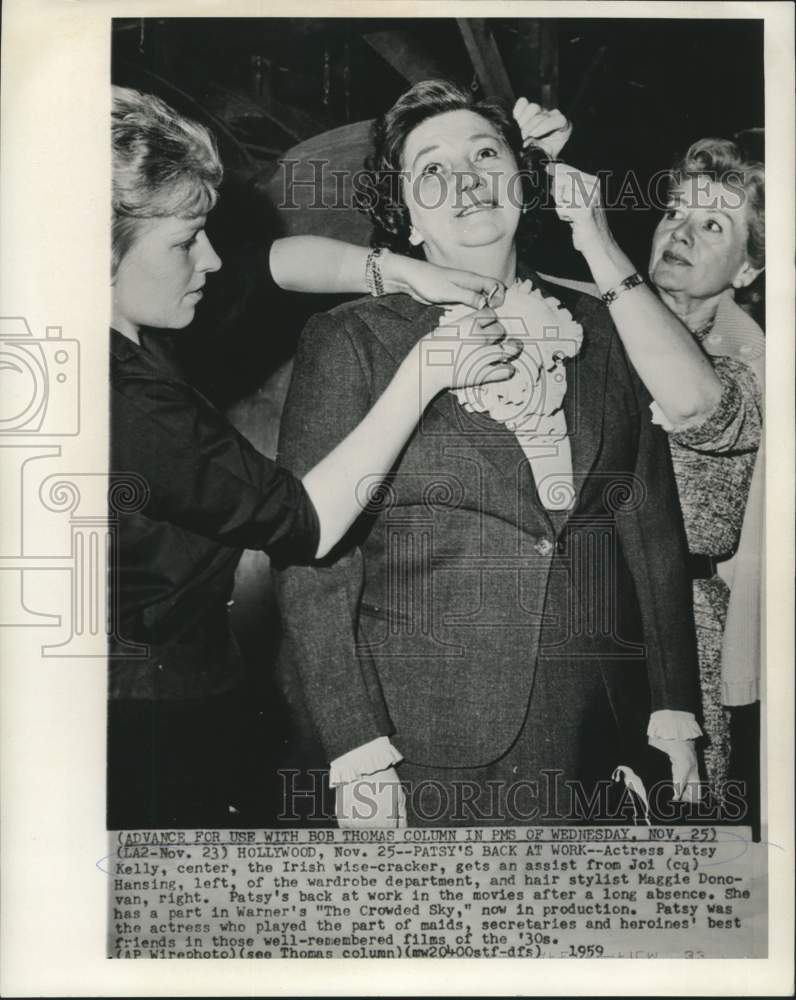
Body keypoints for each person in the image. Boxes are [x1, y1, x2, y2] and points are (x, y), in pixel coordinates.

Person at [274, 79, 703, 829]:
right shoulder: (351, 341)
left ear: (524, 180)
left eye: (484, 154)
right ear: (404, 214)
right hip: (426, 735)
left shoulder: (607, 327)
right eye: (431, 169)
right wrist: (356, 748)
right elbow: (314, 568)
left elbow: (650, 527)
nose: (466, 179)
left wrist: (672, 710)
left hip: (602, 726)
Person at [107, 85, 522, 828]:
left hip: (193, 678)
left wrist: (403, 272)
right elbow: (305, 521)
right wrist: (424, 372)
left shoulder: (125, 314)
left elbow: (270, 262)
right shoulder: (121, 401)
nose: (211, 257)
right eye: (185, 242)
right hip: (142, 716)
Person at [541, 128, 764, 816]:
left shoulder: (758, 369)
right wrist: (529, 160)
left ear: (749, 270)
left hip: (682, 645)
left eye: (713, 225)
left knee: (671, 837)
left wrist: (598, 240)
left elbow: (695, 403)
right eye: (674, 212)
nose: (681, 232)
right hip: (568, 614)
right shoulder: (581, 321)